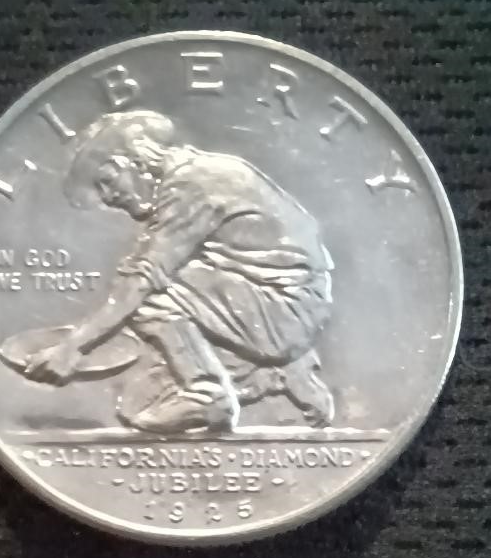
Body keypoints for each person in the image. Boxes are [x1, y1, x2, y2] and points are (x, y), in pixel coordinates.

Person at [23, 110, 335, 433]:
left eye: (107, 180)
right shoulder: (201, 172)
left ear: (135, 163)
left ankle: (207, 394)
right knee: (135, 406)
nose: (108, 197)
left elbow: (143, 278)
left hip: (285, 308)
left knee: (145, 290)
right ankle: (276, 371)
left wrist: (73, 346)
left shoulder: (191, 185)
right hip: (285, 302)